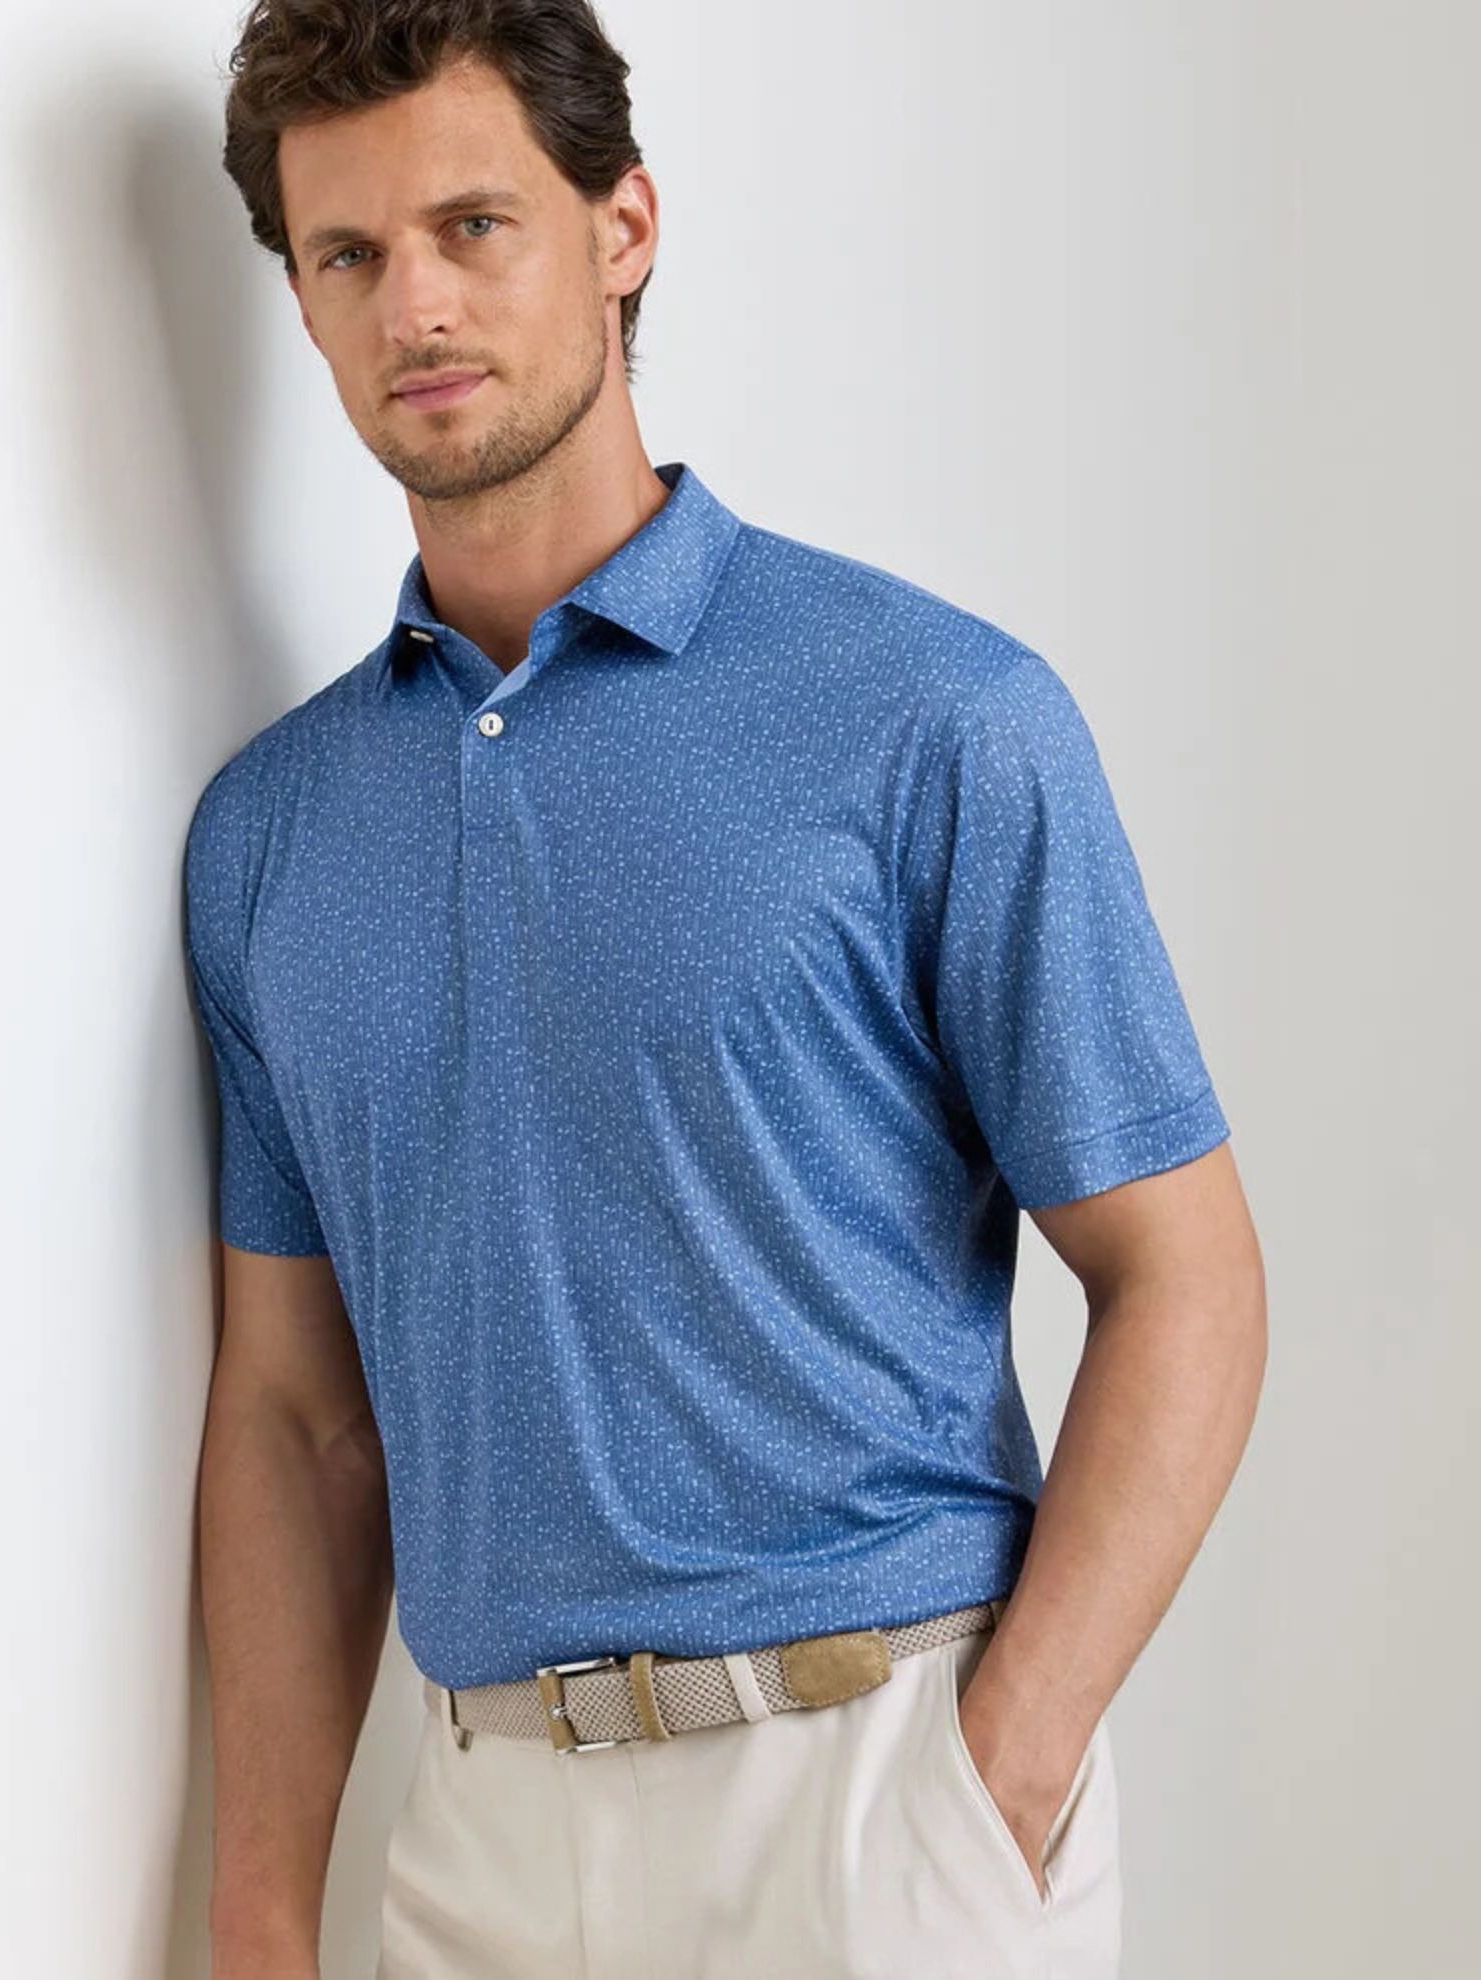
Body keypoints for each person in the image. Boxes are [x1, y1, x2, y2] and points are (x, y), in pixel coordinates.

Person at [185, 4, 1268, 1976]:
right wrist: (260, 1915)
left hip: (873, 1799)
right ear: (303, 303)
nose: (415, 303)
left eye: (474, 225)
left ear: (624, 228)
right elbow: (293, 1416)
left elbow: (1183, 1276)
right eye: (348, 254)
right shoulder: (267, 835)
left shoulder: (931, 715)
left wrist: (1002, 1767)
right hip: (480, 1838)